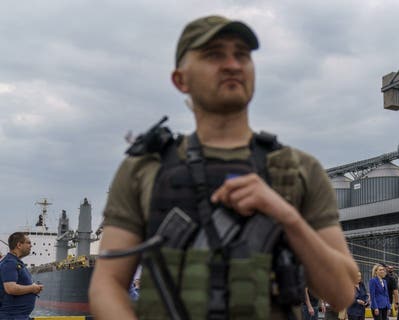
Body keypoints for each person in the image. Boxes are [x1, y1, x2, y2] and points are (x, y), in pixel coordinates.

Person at [88, 14, 359, 320]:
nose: (232, 64)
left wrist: (288, 218)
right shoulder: (143, 168)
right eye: (213, 54)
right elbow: (107, 284)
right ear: (180, 79)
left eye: (242, 55)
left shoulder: (300, 169)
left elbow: (342, 292)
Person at [0, 232, 44, 320]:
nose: (31, 245)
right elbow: (10, 288)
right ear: (19, 245)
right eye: (28, 243)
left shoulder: (16, 262)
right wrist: (33, 288)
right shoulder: (10, 263)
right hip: (12, 316)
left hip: (19, 316)